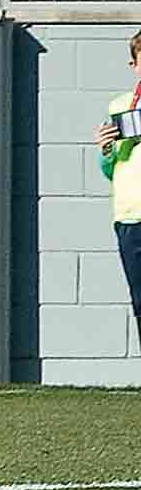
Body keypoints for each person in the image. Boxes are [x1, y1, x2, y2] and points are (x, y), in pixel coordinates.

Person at [97, 33, 141, 339]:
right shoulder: (121, 105)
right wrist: (106, 149)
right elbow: (111, 169)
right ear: (134, 65)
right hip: (130, 215)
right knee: (140, 300)